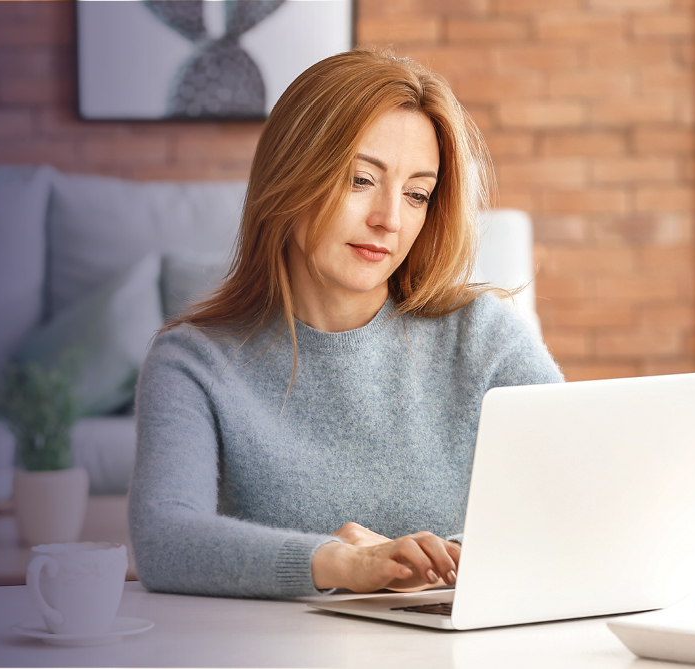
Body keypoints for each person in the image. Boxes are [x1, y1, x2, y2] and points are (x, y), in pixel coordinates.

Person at [128, 49, 563, 599]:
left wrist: (433, 565)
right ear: (290, 175)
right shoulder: (191, 362)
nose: (390, 219)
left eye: (416, 194)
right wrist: (340, 565)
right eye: (361, 179)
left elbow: (576, 503)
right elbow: (166, 542)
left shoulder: (485, 337)